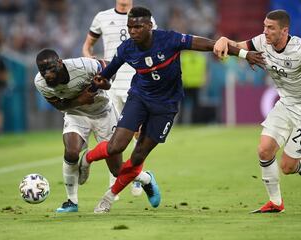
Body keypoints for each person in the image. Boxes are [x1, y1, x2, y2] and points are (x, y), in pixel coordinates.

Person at [78, 6, 265, 213]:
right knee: (115, 147)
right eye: (130, 27)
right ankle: (87, 159)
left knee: (138, 156)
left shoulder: (169, 39)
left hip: (167, 105)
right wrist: (94, 88)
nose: (133, 31)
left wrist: (244, 54)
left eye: (138, 27)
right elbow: (106, 73)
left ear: (150, 26)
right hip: (139, 98)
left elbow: (208, 45)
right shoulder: (126, 49)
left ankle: (109, 196)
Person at [214, 9, 301, 213]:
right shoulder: (262, 42)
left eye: (270, 28)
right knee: (264, 150)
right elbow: (236, 47)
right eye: (264, 26)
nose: (265, 31)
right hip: (286, 104)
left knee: (287, 167)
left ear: (284, 31)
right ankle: (275, 202)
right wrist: (224, 39)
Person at [34, 48, 153, 212]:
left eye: (51, 69)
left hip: (104, 113)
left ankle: (146, 178)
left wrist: (107, 82)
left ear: (60, 63)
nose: (47, 75)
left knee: (117, 170)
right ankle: (71, 202)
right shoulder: (40, 83)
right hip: (76, 114)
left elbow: (110, 68)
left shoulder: (83, 65)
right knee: (71, 152)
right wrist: (80, 100)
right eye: (43, 71)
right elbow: (59, 105)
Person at [82, 0, 157, 196]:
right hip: (111, 85)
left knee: (139, 134)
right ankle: (113, 181)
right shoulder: (102, 17)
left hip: (137, 83)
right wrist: (91, 61)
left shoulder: (145, 18)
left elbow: (154, 46)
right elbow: (87, 46)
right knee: (114, 136)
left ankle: (137, 176)